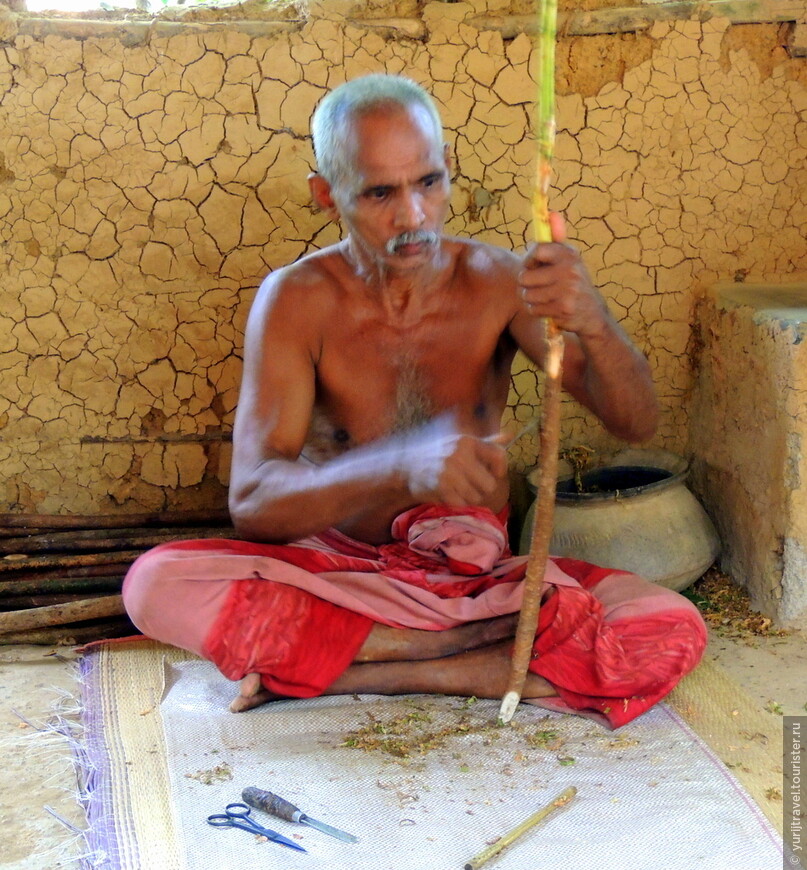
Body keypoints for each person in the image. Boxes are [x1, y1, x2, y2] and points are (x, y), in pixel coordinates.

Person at [123, 74, 706, 728]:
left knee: (668, 625)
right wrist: (398, 466)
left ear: (448, 168)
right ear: (326, 194)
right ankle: (474, 661)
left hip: (474, 589)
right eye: (379, 192)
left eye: (427, 182)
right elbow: (254, 507)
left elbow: (635, 423)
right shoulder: (296, 300)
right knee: (154, 585)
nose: (412, 217)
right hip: (336, 577)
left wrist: (593, 319)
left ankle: (361, 672)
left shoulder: (498, 283)